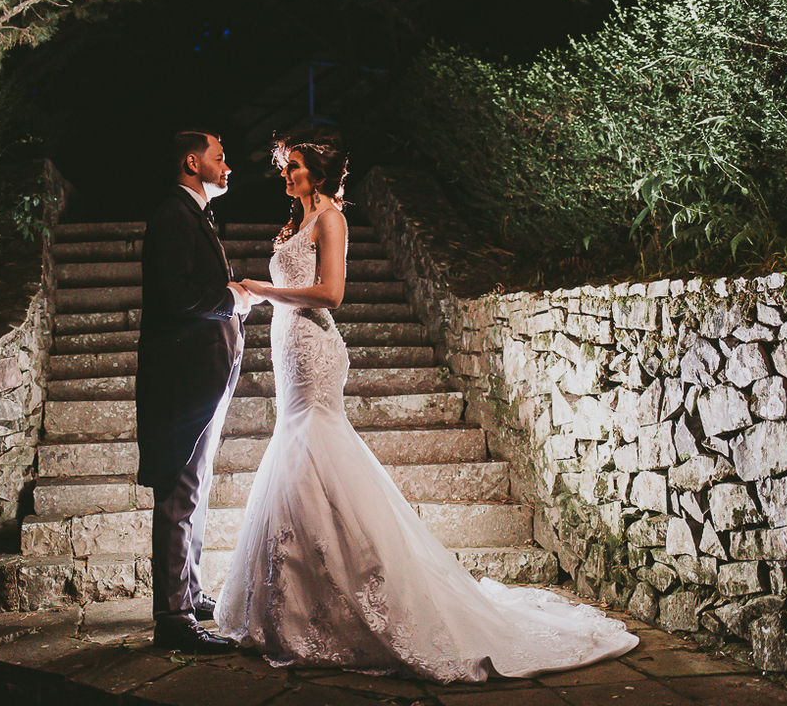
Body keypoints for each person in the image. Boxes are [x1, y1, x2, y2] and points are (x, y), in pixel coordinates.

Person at [214, 130, 640, 682]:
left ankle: (349, 595)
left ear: (317, 174)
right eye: (285, 166)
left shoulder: (330, 219)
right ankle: (297, 601)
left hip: (314, 348)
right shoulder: (297, 221)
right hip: (289, 346)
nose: (286, 174)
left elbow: (332, 294)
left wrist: (260, 288)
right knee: (294, 457)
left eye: (294, 166)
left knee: (314, 453)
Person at [136, 130, 255, 654]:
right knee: (180, 491)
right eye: (219, 157)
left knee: (197, 488)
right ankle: (173, 619)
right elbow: (177, 294)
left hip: (205, 376)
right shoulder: (172, 215)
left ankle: (189, 592)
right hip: (182, 379)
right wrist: (230, 298)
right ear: (192, 161)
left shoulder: (194, 215)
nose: (228, 166)